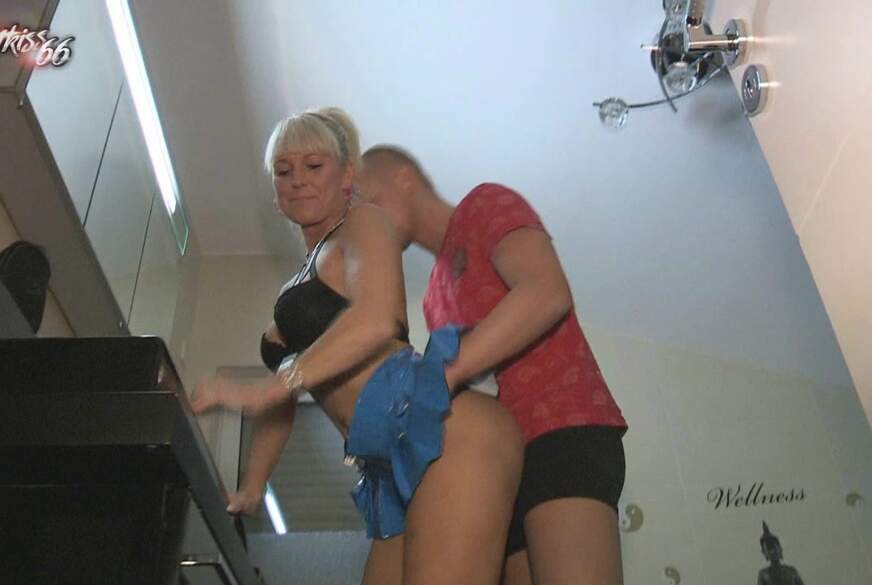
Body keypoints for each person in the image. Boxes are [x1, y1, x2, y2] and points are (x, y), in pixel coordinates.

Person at [192, 109, 523, 585]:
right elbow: (283, 399)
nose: (298, 179)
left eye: (314, 165)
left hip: (442, 430)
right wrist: (253, 486)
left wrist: (264, 389)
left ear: (347, 175)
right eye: (283, 171)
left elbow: (375, 319)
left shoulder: (364, 224)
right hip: (389, 466)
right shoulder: (295, 283)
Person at [356, 145, 629, 585]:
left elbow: (546, 291)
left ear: (404, 178)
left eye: (370, 201)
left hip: (561, 427)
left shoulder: (484, 204)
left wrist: (448, 373)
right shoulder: (433, 298)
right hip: (501, 464)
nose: (368, 220)